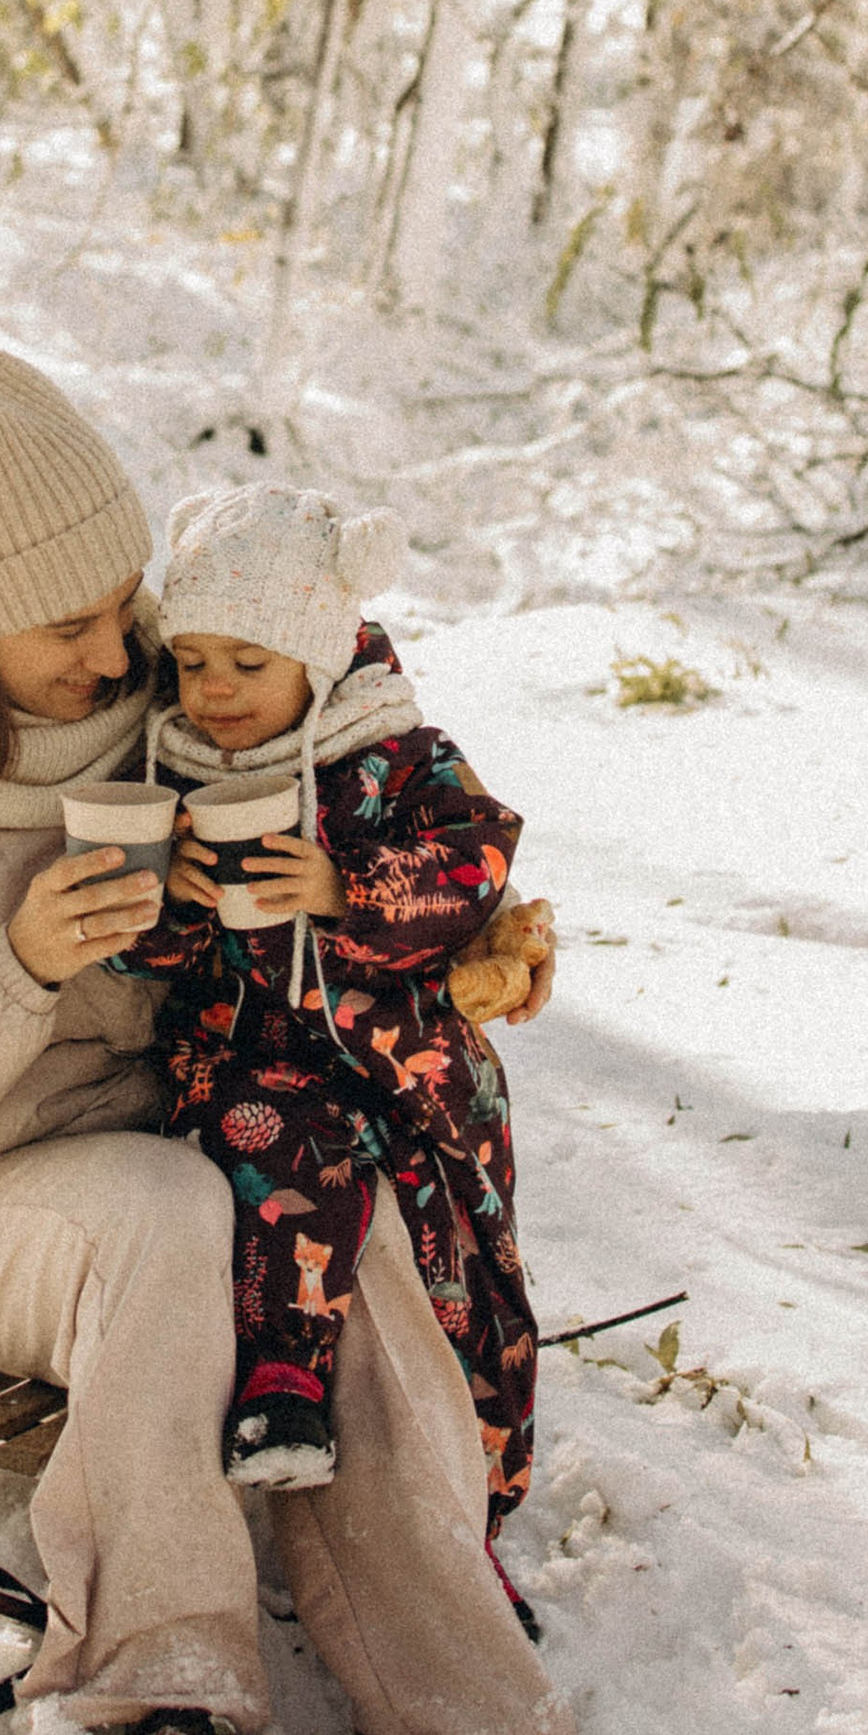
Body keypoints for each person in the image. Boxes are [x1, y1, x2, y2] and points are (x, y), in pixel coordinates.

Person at [0, 343, 578, 1735]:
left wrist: (453, 948)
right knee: (183, 1220)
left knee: (347, 1221)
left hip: (207, 1128)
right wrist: (18, 964)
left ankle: (470, 1705)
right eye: (72, 622)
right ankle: (154, 1680)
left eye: (128, 607)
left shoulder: (164, 714)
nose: (118, 654)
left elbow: (347, 711)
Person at [123, 485, 538, 1524]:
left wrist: (349, 888)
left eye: (249, 664)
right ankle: (282, 1390)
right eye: (193, 660)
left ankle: (467, 1506)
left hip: (402, 1065)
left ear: (315, 652)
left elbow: (475, 859)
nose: (213, 691)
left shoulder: (398, 755)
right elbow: (144, 959)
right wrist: (166, 902)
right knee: (280, 1179)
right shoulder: (165, 765)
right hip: (246, 1062)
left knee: (455, 1278)